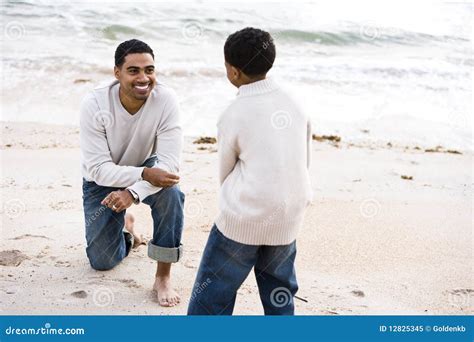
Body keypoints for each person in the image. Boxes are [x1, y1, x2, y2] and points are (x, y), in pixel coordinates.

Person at [187, 28, 312, 315]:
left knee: (213, 292)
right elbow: (301, 160)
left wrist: (235, 205)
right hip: (289, 212)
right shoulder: (295, 103)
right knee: (279, 291)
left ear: (232, 71)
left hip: (245, 217)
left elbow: (225, 172)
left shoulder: (234, 113)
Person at [80, 39, 185, 307]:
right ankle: (128, 231)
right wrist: (145, 176)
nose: (144, 78)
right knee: (101, 262)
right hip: (102, 179)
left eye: (149, 70)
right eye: (134, 70)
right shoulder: (94, 103)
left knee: (172, 193)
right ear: (117, 73)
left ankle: (162, 277)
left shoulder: (166, 100)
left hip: (144, 169)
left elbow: (170, 167)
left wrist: (133, 193)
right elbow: (99, 170)